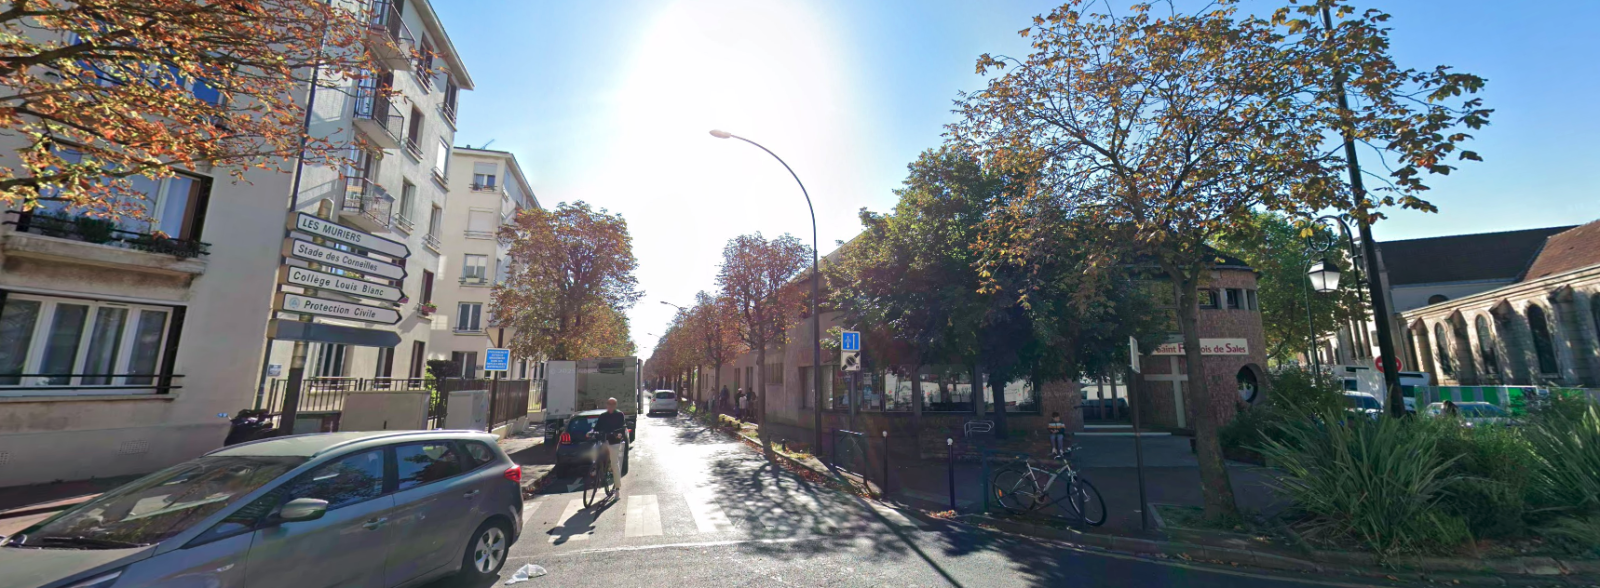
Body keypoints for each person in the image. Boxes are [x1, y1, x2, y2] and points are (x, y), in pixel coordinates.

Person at [594, 397, 628, 495]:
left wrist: (619, 434)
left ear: (615, 405)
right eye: (609, 404)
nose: (611, 406)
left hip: (614, 442)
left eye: (613, 404)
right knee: (596, 455)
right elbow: (597, 427)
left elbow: (622, 427)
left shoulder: (619, 415)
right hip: (604, 441)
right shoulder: (603, 416)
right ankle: (597, 471)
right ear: (607, 405)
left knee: (614, 464)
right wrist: (591, 432)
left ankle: (617, 488)